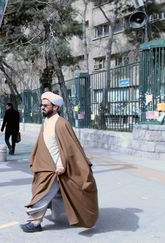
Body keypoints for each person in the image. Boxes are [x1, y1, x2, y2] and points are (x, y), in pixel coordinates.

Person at [21, 91, 98, 233]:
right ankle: (62, 215)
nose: (42, 107)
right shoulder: (47, 122)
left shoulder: (62, 124)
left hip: (56, 169)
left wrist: (62, 165)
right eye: (42, 105)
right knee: (56, 194)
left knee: (42, 194)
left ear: (56, 107)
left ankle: (34, 223)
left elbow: (70, 147)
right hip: (47, 166)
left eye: (45, 105)